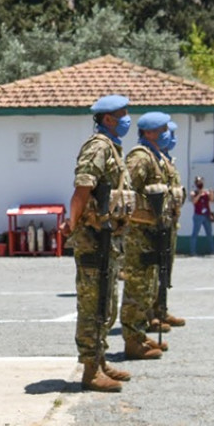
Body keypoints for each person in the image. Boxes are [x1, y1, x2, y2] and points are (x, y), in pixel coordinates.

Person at [60, 94, 134, 392]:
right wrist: (73, 223)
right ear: (107, 119)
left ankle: (100, 360)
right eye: (123, 114)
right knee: (93, 304)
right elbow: (82, 190)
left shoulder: (112, 148)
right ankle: (90, 370)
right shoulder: (98, 148)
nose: (127, 120)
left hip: (108, 238)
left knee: (107, 301)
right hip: (93, 238)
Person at [121, 111, 175, 360]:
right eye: (163, 129)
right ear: (150, 133)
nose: (167, 134)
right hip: (139, 233)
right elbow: (125, 194)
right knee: (137, 288)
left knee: (149, 286)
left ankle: (140, 334)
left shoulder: (155, 157)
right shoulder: (140, 158)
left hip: (154, 232)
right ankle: (132, 341)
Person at [150, 120, 186, 331]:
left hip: (169, 223)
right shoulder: (149, 158)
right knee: (152, 272)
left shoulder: (166, 160)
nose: (171, 139)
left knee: (165, 270)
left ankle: (161, 310)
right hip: (155, 225)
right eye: (169, 134)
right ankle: (150, 315)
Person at [190, 176, 214, 254]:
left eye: (201, 182)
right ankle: (193, 251)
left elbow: (212, 199)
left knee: (209, 234)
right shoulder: (193, 193)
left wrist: (211, 193)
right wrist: (199, 194)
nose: (200, 183)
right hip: (198, 215)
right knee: (195, 233)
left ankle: (213, 250)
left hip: (206, 215)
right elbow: (194, 201)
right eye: (198, 182)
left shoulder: (206, 193)